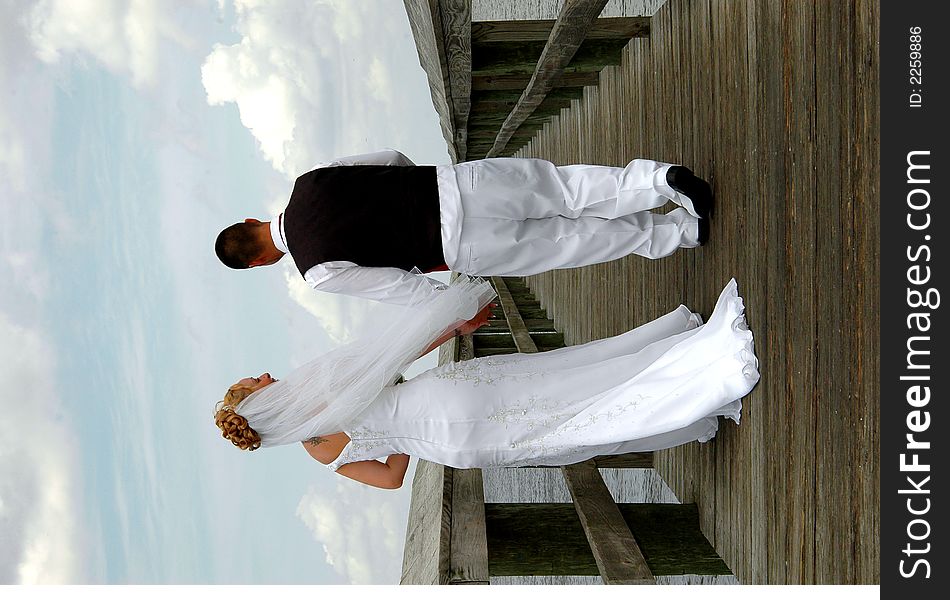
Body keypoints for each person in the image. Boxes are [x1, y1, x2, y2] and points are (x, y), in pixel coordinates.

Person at [214, 278, 759, 490]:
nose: (266, 376)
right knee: (574, 383)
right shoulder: (322, 387)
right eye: (257, 383)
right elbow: (402, 350)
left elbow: (392, 478)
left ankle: (693, 406)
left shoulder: (317, 450)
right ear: (264, 402)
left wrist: (401, 437)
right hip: (444, 395)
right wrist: (453, 323)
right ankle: (701, 364)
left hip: (454, 446)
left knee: (576, 430)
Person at [214, 149, 714, 305]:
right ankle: (659, 180)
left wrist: (460, 305)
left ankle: (680, 234)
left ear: (259, 262)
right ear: (251, 220)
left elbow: (403, 287)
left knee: (570, 242)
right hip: (457, 185)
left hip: (459, 245)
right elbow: (390, 159)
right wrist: (425, 187)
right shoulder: (310, 180)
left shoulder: (317, 272)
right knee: (566, 190)